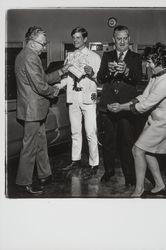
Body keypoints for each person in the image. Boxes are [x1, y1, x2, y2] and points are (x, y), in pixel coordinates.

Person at [108, 43, 166, 197]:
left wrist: (121, 108)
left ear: (159, 61)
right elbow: (143, 97)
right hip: (156, 117)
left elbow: (143, 106)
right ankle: (160, 185)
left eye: (149, 61)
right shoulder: (157, 74)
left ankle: (138, 190)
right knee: (147, 152)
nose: (147, 64)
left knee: (137, 149)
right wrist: (122, 104)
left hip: (164, 122)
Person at [15, 26, 69, 194]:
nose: (44, 47)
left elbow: (43, 78)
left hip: (35, 110)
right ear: (32, 42)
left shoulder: (27, 56)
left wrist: (61, 71)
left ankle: (45, 175)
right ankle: (24, 182)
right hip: (32, 110)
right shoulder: (29, 57)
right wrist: (56, 90)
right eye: (42, 44)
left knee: (40, 144)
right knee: (30, 147)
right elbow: (39, 85)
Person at [97, 25, 142, 187]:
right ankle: (108, 172)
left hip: (125, 107)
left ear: (129, 39)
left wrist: (127, 71)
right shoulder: (107, 55)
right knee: (108, 142)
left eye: (125, 38)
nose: (122, 41)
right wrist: (109, 71)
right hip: (108, 106)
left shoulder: (136, 57)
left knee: (127, 143)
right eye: (119, 38)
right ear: (114, 40)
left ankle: (129, 176)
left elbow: (138, 78)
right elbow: (100, 78)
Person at [62, 27, 101, 177]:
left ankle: (94, 163)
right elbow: (66, 78)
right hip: (73, 97)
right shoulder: (70, 56)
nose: (76, 40)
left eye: (79, 37)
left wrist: (92, 73)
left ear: (85, 39)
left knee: (91, 132)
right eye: (74, 38)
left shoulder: (94, 57)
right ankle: (75, 160)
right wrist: (55, 86)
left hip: (88, 98)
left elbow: (100, 80)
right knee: (75, 131)